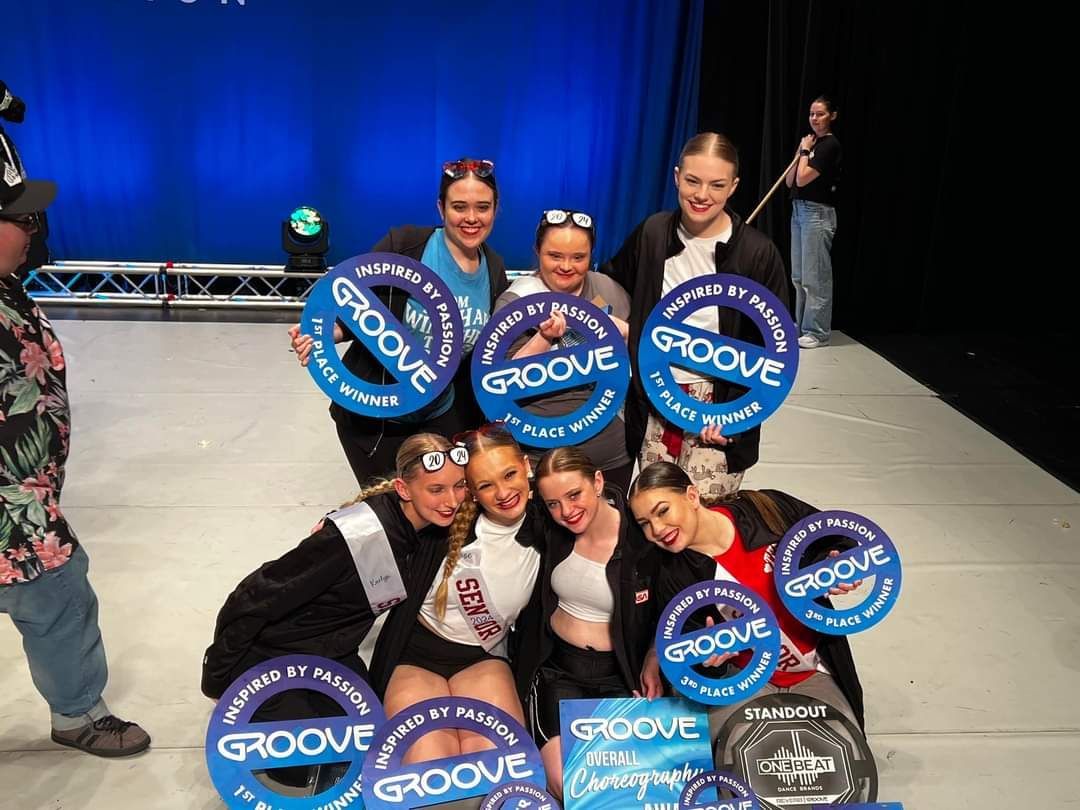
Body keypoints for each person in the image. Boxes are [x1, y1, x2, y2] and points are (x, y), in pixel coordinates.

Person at [201, 432, 468, 788]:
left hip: (333, 653)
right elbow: (254, 597)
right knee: (301, 768)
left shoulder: (428, 530)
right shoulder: (356, 536)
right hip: (270, 653)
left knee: (369, 748)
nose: (452, 500)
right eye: (436, 489)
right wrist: (218, 675)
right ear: (403, 489)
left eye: (459, 486)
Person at [0, 152, 150, 757]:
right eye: (22, 221)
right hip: (12, 506)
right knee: (59, 591)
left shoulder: (8, 288)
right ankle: (79, 713)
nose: (33, 232)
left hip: (26, 490)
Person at [290, 158, 509, 484]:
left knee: (441, 505)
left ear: (496, 210)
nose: (471, 218)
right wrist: (321, 335)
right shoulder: (405, 245)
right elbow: (355, 304)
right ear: (441, 208)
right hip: (376, 418)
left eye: (483, 207)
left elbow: (489, 351)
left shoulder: (494, 268)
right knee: (390, 505)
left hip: (442, 415)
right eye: (459, 206)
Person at [627, 461, 864, 754]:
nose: (657, 529)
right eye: (645, 523)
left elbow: (837, 536)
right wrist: (709, 664)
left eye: (662, 511)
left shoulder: (764, 509)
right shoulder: (673, 575)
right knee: (735, 759)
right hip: (744, 680)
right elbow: (689, 662)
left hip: (815, 669)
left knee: (848, 754)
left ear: (692, 496)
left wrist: (837, 563)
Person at [602, 133, 789, 498]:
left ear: (734, 186)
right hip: (655, 396)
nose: (702, 194)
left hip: (719, 407)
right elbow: (609, 281)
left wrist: (738, 420)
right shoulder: (653, 233)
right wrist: (611, 322)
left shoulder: (758, 253)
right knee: (656, 513)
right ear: (676, 177)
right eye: (692, 181)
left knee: (704, 517)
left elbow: (776, 350)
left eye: (717, 185)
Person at [369, 423, 543, 764]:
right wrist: (343, 522)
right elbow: (398, 503)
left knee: (497, 762)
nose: (503, 492)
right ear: (471, 491)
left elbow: (595, 501)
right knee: (429, 761)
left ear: (526, 466)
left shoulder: (550, 522)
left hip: (483, 657)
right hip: (415, 655)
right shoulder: (446, 521)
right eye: (485, 485)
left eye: (509, 474)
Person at [516, 446, 661, 801]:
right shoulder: (550, 529)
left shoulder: (641, 537)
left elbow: (675, 601)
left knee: (625, 788)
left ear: (597, 482)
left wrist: (655, 655)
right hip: (559, 672)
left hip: (621, 675)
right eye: (553, 503)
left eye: (574, 495)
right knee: (569, 786)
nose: (566, 511)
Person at [492, 209, 634, 493]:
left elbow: (641, 359)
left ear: (592, 255)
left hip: (612, 455)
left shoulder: (608, 289)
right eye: (555, 256)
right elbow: (502, 384)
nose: (566, 266)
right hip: (543, 458)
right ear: (537, 251)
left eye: (578, 257)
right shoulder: (515, 301)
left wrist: (626, 332)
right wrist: (544, 338)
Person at [786, 95, 842, 349]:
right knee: (798, 276)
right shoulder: (809, 143)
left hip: (817, 213)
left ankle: (817, 332)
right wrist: (801, 151)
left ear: (832, 116)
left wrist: (805, 152)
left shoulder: (829, 145)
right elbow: (789, 180)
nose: (814, 119)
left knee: (815, 277)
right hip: (799, 210)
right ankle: (801, 327)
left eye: (820, 114)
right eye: (811, 114)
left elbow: (802, 179)